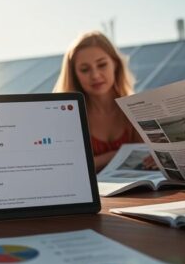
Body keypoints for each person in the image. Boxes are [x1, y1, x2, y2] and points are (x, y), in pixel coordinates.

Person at [54, 31, 147, 172]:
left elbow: (147, 158)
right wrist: (116, 155)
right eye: (85, 69)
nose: (95, 75)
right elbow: (67, 167)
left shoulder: (137, 109)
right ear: (74, 75)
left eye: (102, 65)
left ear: (115, 64)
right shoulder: (67, 118)